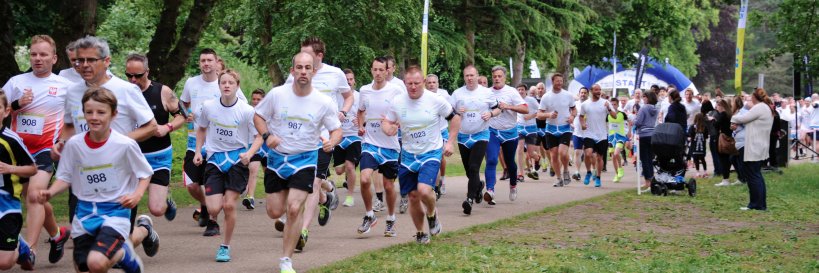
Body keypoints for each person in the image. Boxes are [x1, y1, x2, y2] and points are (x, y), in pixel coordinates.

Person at [57, 35, 160, 259]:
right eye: (79, 60)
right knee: (83, 244)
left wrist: (115, 142)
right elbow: (68, 126)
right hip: (83, 175)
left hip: (120, 177)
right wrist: (62, 143)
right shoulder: (73, 92)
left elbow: (151, 126)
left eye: (91, 60)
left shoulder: (125, 90)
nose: (84, 65)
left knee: (115, 247)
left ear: (106, 61)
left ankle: (143, 230)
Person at [40, 87, 150, 273]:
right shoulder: (74, 144)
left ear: (113, 114)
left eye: (101, 112)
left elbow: (145, 173)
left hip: (115, 212)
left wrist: (137, 195)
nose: (94, 117)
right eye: (89, 112)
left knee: (96, 262)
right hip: (84, 214)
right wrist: (50, 192)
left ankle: (124, 254)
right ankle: (123, 253)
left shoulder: (125, 144)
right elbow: (65, 177)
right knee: (84, 267)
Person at [252, 52, 342, 273]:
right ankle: (303, 211)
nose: (303, 72)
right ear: (292, 71)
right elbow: (258, 116)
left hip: (305, 159)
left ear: (313, 71)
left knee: (293, 208)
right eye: (299, 67)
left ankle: (286, 260)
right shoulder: (277, 95)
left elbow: (336, 129)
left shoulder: (323, 101)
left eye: (307, 68)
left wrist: (332, 141)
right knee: (274, 212)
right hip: (277, 160)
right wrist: (267, 137)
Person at [2, 35, 72, 266]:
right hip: (17, 151)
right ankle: (57, 235)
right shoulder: (15, 82)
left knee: (33, 195)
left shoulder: (65, 87)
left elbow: (76, 119)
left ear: (54, 57)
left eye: (43, 54)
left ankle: (29, 250)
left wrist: (63, 141)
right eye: (34, 54)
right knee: (34, 197)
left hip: (45, 150)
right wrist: (16, 105)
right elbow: (1, 110)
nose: (38, 59)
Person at [280, 37, 353, 251]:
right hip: (300, 137)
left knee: (312, 181)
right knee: (306, 181)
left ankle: (302, 232)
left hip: (324, 137)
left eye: (308, 55)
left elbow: (348, 97)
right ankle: (326, 195)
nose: (303, 60)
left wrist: (342, 112)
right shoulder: (296, 73)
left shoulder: (335, 74)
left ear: (319, 56)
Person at [382, 66, 460, 244]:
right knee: (413, 197)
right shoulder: (397, 101)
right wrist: (389, 129)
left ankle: (432, 214)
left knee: (424, 190)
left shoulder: (435, 100)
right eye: (409, 83)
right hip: (409, 155)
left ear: (423, 82)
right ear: (404, 83)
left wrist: (450, 142)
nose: (413, 87)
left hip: (430, 152)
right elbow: (387, 121)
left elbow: (455, 118)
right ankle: (420, 232)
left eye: (417, 83)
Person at [192, 70, 257, 262]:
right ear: (219, 86)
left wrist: (250, 154)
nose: (227, 86)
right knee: (213, 209)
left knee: (229, 205)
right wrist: (198, 151)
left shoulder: (246, 110)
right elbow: (202, 128)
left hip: (237, 159)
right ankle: (213, 212)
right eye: (223, 83)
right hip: (214, 159)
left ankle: (225, 246)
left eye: (230, 83)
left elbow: (259, 136)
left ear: (237, 85)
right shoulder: (209, 107)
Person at [180, 48, 247, 235]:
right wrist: (187, 115)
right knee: (192, 184)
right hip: (195, 141)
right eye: (203, 60)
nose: (206, 64)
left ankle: (212, 221)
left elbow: (242, 109)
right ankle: (204, 204)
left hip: (219, 145)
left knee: (215, 182)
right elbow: (183, 103)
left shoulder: (225, 83)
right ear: (199, 63)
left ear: (216, 61)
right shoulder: (191, 83)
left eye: (209, 60)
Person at [124, 53, 183, 224]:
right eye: (129, 75)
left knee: (157, 209)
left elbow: (181, 116)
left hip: (158, 156)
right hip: (132, 156)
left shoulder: (162, 91)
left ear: (147, 72)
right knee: (126, 204)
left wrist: (168, 127)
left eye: (138, 75)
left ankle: (166, 199)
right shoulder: (122, 92)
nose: (133, 80)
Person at [356, 57, 403, 236]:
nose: (377, 73)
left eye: (381, 70)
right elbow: (360, 111)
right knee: (365, 179)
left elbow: (403, 110)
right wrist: (361, 126)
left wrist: (395, 124)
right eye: (374, 69)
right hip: (370, 143)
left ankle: (391, 219)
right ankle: (369, 215)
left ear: (387, 71)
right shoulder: (365, 90)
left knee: (388, 186)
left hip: (390, 146)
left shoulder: (395, 90)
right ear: (371, 70)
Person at [450, 65, 500, 215]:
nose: (470, 78)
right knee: (469, 172)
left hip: (481, 134)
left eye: (472, 75)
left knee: (474, 167)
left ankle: (469, 200)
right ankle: (478, 187)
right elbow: (449, 113)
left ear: (477, 76)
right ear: (464, 77)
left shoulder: (486, 92)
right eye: (467, 76)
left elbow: (498, 109)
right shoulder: (457, 94)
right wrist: (457, 112)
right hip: (463, 136)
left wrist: (491, 114)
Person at [0, 89, 38, 271]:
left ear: (6, 111)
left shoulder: (11, 140)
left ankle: (22, 247)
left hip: (7, 206)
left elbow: (32, 169)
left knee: (4, 263)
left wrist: (10, 169)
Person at [485, 66, 528, 203]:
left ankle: (513, 185)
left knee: (510, 162)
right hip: (492, 130)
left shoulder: (512, 92)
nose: (497, 79)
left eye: (499, 76)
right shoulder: (487, 93)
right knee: (491, 159)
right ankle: (490, 190)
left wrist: (508, 106)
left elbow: (525, 109)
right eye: (495, 76)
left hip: (510, 132)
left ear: (504, 77)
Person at [731, 88, 773, 211]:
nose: (749, 99)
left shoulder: (759, 107)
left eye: (750, 97)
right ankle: (759, 204)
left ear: (755, 97)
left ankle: (756, 204)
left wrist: (733, 118)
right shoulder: (765, 107)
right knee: (756, 175)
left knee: (753, 176)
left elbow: (743, 119)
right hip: (759, 145)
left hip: (754, 145)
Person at [536, 74, 576, 187]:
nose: (559, 83)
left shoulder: (568, 95)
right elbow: (539, 115)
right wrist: (549, 114)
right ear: (552, 82)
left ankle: (566, 170)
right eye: (557, 81)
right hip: (551, 129)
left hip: (565, 127)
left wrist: (572, 117)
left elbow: (574, 109)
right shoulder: (546, 97)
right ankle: (559, 179)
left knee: (563, 153)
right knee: (553, 155)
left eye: (561, 81)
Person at [334, 69, 360, 207]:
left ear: (354, 81)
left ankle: (350, 197)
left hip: (354, 136)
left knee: (350, 166)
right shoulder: (336, 97)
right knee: (339, 170)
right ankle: (349, 167)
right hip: (339, 136)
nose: (349, 82)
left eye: (351, 79)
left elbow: (365, 112)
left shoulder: (359, 96)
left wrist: (361, 120)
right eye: (346, 79)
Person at [425, 74, 452, 197]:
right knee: (434, 159)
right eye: (429, 83)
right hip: (429, 132)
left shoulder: (444, 94)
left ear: (438, 84)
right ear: (426, 84)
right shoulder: (423, 95)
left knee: (440, 157)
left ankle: (443, 180)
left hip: (442, 130)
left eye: (433, 82)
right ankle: (434, 186)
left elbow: (452, 108)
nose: (431, 85)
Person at [243, 88, 267, 210]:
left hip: (268, 147)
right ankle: (250, 197)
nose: (256, 101)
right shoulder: (248, 112)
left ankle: (273, 196)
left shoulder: (270, 112)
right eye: (254, 99)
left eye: (259, 99)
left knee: (269, 174)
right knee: (253, 169)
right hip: (254, 145)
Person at [635, 90, 659, 189]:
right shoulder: (656, 109)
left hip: (643, 135)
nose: (643, 98)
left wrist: (632, 118)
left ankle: (647, 181)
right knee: (649, 158)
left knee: (644, 159)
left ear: (648, 98)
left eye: (644, 97)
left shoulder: (643, 108)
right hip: (652, 134)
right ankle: (652, 178)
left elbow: (638, 122)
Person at [517, 85, 541, 181]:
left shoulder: (531, 100)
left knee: (531, 154)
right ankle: (521, 174)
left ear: (525, 91)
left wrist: (530, 116)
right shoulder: (515, 100)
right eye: (519, 90)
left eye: (522, 90)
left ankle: (537, 158)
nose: (520, 91)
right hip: (520, 127)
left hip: (531, 128)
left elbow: (540, 111)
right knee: (519, 149)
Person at [606, 97, 629, 183]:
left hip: (620, 136)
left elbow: (629, 122)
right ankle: (616, 174)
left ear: (618, 105)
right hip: (611, 137)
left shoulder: (622, 114)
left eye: (614, 104)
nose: (613, 106)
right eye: (611, 104)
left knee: (616, 153)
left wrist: (629, 134)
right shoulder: (607, 115)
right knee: (613, 156)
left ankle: (620, 168)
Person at [570, 87, 589, 181]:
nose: (583, 94)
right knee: (577, 152)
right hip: (577, 132)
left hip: (589, 133)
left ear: (588, 94)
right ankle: (577, 172)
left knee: (588, 154)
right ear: (579, 94)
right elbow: (569, 115)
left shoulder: (590, 104)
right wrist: (571, 124)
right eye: (581, 93)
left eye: (585, 93)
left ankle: (591, 170)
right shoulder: (575, 105)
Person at [688, 113, 709, 178]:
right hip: (702, 146)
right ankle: (705, 172)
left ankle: (698, 172)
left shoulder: (692, 126)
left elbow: (690, 135)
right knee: (703, 159)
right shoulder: (705, 127)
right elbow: (706, 136)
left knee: (696, 159)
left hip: (694, 146)